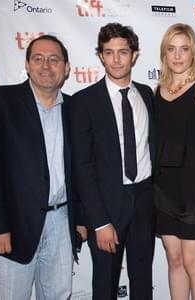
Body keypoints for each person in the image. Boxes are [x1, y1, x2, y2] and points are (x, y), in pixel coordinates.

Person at [0, 34, 86, 299]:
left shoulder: (75, 108)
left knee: (58, 295)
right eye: (39, 59)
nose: (46, 66)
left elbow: (80, 169)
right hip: (12, 225)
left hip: (61, 223)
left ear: (66, 69)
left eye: (54, 60)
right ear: (27, 64)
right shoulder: (0, 102)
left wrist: (80, 219)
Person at [69, 23, 155, 299]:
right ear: (101, 56)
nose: (116, 59)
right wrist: (99, 222)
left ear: (135, 55)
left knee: (143, 277)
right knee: (105, 282)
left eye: (123, 52)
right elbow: (82, 166)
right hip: (106, 206)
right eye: (109, 52)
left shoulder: (147, 94)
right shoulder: (84, 101)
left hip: (144, 199)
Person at [153, 23, 195, 300]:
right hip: (163, 188)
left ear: (193, 52)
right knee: (174, 260)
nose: (178, 55)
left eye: (184, 48)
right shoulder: (157, 91)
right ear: (164, 54)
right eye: (171, 49)